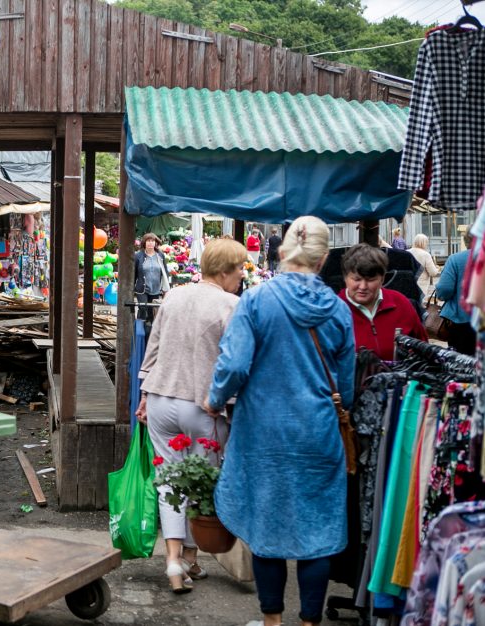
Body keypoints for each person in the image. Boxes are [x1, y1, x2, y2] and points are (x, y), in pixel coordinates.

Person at [205, 216, 355, 626]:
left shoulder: (256, 300)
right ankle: (309, 622)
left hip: (263, 433)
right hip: (319, 433)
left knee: (265, 526)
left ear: (283, 251)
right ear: (324, 259)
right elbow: (347, 384)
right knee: (318, 532)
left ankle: (272, 622)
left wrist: (214, 399)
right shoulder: (339, 310)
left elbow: (234, 365)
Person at [135, 238, 247, 594]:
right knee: (200, 483)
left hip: (160, 400)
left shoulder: (174, 296)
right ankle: (191, 556)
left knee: (169, 480)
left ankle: (172, 560)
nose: (243, 275)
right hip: (203, 405)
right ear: (226, 270)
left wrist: (143, 395)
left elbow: (153, 348)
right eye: (241, 268)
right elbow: (236, 363)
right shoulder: (232, 305)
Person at [338, 244, 427, 361]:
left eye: (371, 280)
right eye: (356, 279)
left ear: (383, 278)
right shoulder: (334, 312)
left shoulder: (401, 304)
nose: (363, 286)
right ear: (345, 277)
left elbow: (424, 350)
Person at [436, 232, 474, 355]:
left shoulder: (456, 259)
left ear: (467, 240)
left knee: (461, 364)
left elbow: (444, 290)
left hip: (462, 322)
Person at [133, 233, 170, 323]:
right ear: (144, 243)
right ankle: (139, 332)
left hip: (156, 289)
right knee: (143, 309)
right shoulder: (138, 256)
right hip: (142, 289)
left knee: (152, 312)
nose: (150, 243)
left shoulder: (160, 255)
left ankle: (150, 333)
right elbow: (134, 273)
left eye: (152, 241)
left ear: (155, 243)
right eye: (148, 241)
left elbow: (165, 272)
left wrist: (166, 289)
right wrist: (131, 288)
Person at [408, 233, 440, 300]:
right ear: (424, 243)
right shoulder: (425, 255)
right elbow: (433, 272)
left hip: (407, 284)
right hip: (420, 287)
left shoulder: (407, 252)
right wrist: (437, 268)